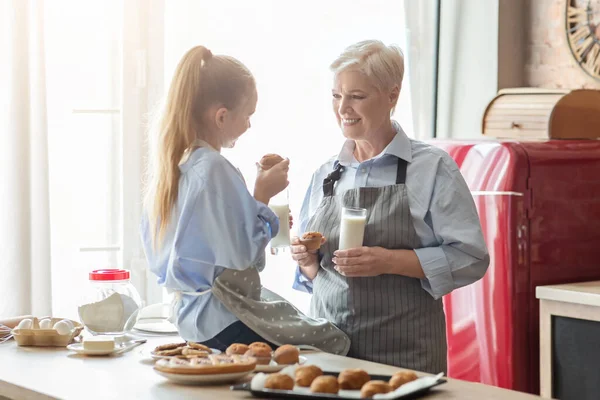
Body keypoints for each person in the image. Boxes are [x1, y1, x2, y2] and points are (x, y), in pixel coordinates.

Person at [291, 40, 489, 373]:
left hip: (405, 356)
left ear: (392, 96)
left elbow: (471, 258)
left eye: (357, 96)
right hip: (329, 352)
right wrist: (308, 260)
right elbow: (318, 275)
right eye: (337, 96)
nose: (343, 108)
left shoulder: (432, 167)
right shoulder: (327, 173)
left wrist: (389, 260)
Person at [141, 46, 349, 354]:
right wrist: (262, 198)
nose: (250, 125)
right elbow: (243, 257)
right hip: (223, 317)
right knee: (335, 342)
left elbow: (215, 243)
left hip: (191, 319)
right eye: (248, 115)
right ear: (222, 116)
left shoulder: (176, 166)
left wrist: (255, 206)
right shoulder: (214, 168)